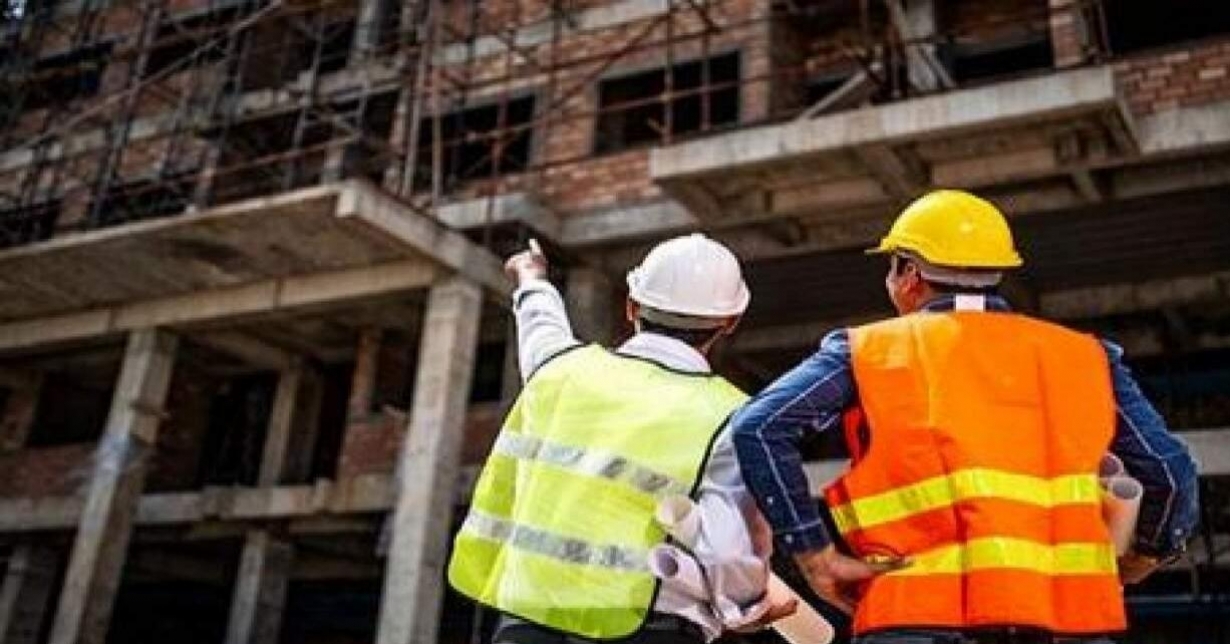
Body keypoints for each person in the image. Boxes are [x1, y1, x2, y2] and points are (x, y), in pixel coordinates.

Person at [730, 190, 1200, 644]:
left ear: (909, 274)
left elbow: (761, 426)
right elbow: (1169, 472)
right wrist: (1145, 555)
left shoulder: (868, 352)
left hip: (915, 621)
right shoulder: (1085, 358)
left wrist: (815, 556)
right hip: (1065, 625)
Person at [449, 234, 794, 644]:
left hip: (526, 626)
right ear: (730, 322)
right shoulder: (732, 416)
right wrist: (749, 606)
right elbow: (727, 550)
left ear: (631, 306)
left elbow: (540, 327)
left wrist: (530, 276)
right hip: (648, 630)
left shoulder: (561, 370)